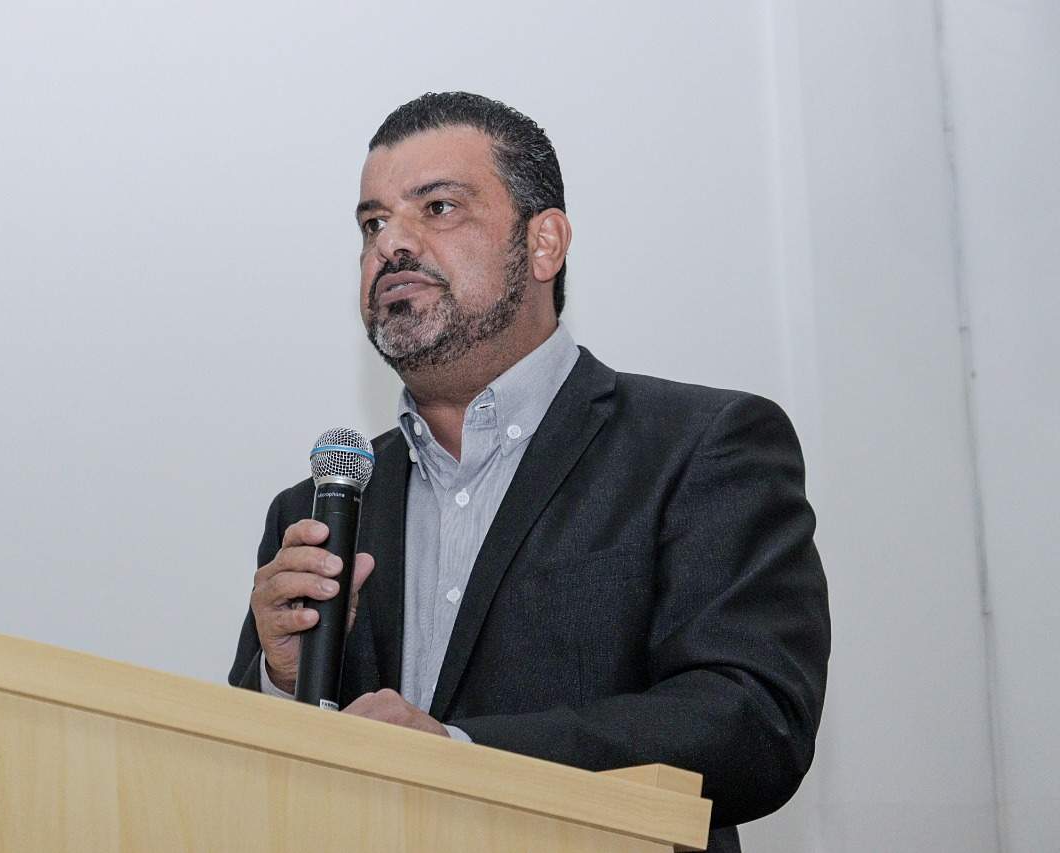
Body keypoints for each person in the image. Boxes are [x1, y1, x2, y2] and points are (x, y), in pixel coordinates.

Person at [229, 92, 830, 852]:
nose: (392, 245)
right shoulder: (319, 507)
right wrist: (283, 684)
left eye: (438, 207)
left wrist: (462, 756)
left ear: (544, 243)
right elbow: (247, 790)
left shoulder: (700, 447)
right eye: (372, 223)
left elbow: (753, 721)